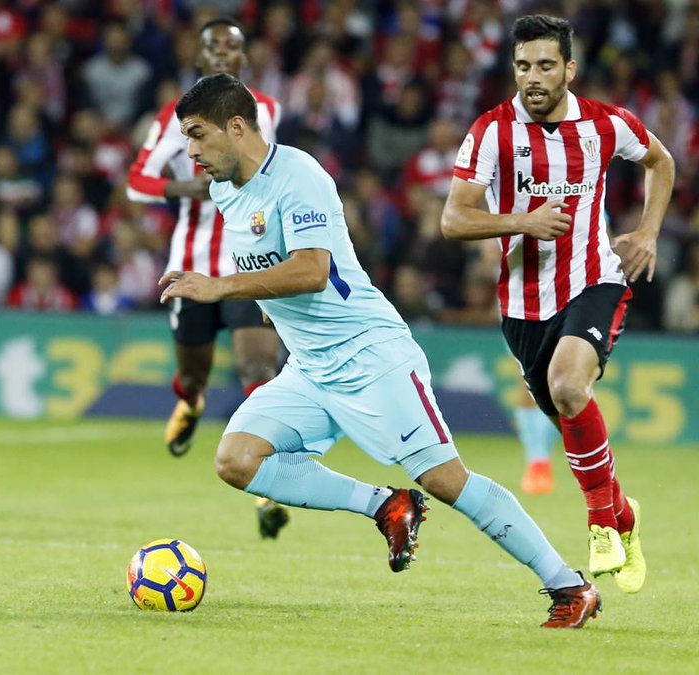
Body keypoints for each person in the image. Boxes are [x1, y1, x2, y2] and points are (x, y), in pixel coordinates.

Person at [161, 73, 599, 629]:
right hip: (311, 369)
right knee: (236, 459)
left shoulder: (298, 176)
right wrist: (269, 309)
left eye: (197, 135)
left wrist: (220, 287)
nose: (190, 151)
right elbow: (268, 264)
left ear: (237, 126)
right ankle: (386, 506)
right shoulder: (225, 191)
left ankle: (569, 586)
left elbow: (313, 270)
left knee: (446, 480)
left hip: (371, 356)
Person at [442, 14, 673, 594]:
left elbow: (661, 162)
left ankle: (601, 525)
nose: (533, 78)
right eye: (523, 66)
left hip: (595, 280)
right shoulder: (491, 131)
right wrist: (523, 221)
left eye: (545, 66)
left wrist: (648, 232)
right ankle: (624, 515)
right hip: (523, 305)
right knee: (570, 421)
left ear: (569, 68)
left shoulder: (605, 123)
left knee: (570, 385)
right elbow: (454, 219)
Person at [126, 18, 288, 539]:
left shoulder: (265, 109)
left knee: (257, 367)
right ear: (197, 58)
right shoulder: (174, 118)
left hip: (248, 264)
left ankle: (265, 484)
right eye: (212, 46)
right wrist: (184, 190)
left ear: (243, 60)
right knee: (193, 375)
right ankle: (191, 401)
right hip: (192, 267)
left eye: (231, 47)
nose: (221, 53)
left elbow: (271, 173)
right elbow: (136, 181)